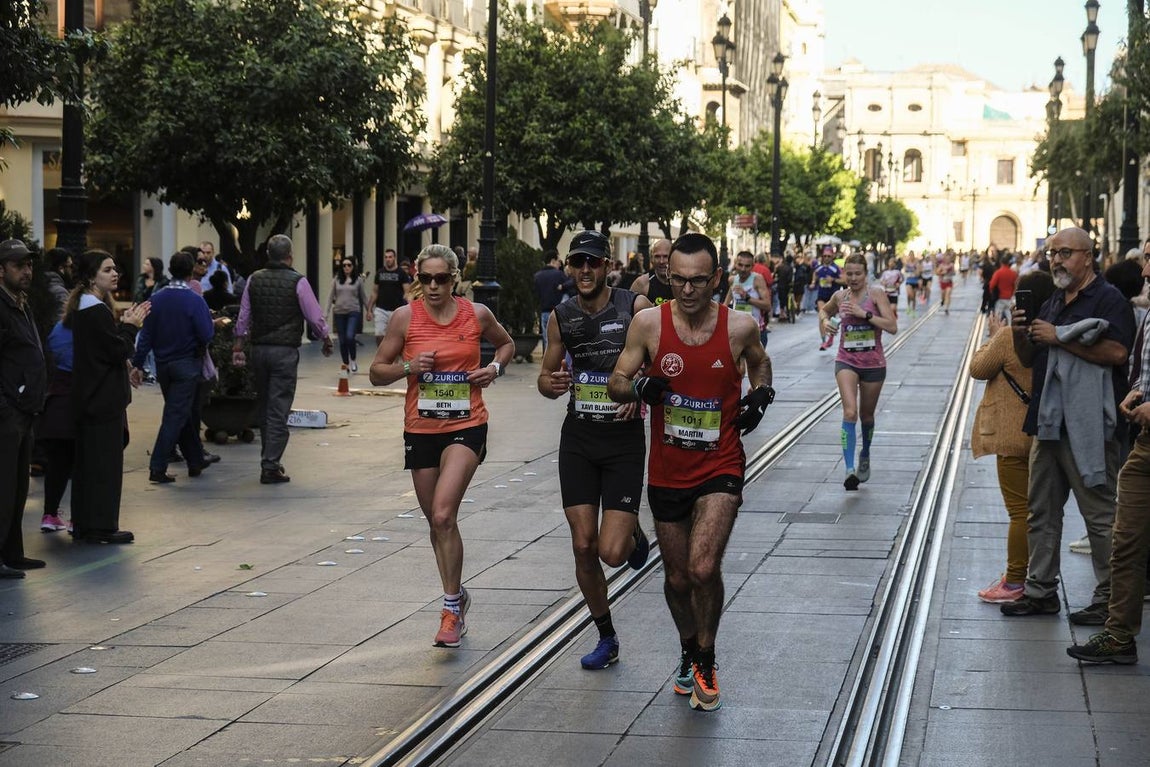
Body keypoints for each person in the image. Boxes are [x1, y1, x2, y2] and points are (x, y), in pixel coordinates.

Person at [607, 232, 774, 712]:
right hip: (667, 470)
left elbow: (761, 366)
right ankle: (689, 646)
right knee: (678, 579)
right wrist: (641, 389)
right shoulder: (648, 325)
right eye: (677, 279)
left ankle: (707, 655)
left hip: (720, 463)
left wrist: (760, 397)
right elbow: (617, 381)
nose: (686, 290)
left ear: (716, 279)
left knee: (704, 567)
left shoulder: (739, 327)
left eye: (698, 281)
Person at [369, 244, 514, 648]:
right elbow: (376, 373)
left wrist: (494, 369)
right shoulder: (404, 317)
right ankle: (458, 593)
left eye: (441, 278)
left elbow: (507, 345)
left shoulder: (476, 314)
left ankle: (451, 610)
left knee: (445, 512)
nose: (432, 286)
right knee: (436, 521)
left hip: (467, 425)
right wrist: (407, 368)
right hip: (420, 429)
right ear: (418, 277)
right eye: (425, 278)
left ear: (454, 278)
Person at [1002, 227, 1135, 624]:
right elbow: (1029, 359)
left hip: (1090, 423)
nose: (1056, 260)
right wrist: (1019, 331)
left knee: (1099, 513)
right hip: (1048, 420)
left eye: (1064, 253)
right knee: (1041, 510)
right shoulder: (1054, 300)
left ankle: (1108, 596)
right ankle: (1040, 589)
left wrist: (1060, 338)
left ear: (1087, 256)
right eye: (1051, 254)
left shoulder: (1109, 299)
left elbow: (1117, 352)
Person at [537, 231, 653, 669]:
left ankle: (633, 534)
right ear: (568, 267)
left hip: (623, 441)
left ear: (607, 265)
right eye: (577, 262)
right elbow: (546, 379)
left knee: (612, 552)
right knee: (583, 545)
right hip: (580, 439)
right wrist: (550, 384)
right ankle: (606, 636)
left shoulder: (633, 309)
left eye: (593, 262)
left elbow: (660, 364)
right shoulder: (560, 316)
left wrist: (639, 392)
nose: (584, 270)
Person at [1068, 255, 1150, 664]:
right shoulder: (1149, 313)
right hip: (1145, 444)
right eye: (1147, 258)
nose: (1146, 270)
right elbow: (1143, 368)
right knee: (1126, 539)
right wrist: (1136, 391)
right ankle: (1118, 635)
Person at [970, 271, 1055, 603]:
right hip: (1043, 434)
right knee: (1041, 510)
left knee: (1020, 512)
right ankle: (1039, 574)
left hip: (1011, 436)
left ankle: (1016, 579)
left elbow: (978, 368)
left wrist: (994, 337)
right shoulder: (1051, 333)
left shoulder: (1009, 335)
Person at [232, 234, 332, 484]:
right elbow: (314, 316)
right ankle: (270, 464)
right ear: (289, 256)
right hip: (284, 352)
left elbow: (244, 316)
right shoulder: (298, 281)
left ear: (268, 255)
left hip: (259, 350)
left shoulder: (254, 279)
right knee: (278, 408)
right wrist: (326, 339)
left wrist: (238, 345)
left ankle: (270, 457)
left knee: (266, 406)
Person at [69, 249, 150, 544]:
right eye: (107, 270)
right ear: (91, 277)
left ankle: (87, 523)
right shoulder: (94, 310)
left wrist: (124, 328)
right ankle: (100, 525)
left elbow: (106, 350)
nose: (114, 273)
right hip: (101, 401)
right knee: (103, 465)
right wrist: (131, 326)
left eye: (115, 268)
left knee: (92, 465)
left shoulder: (87, 307)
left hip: (93, 398)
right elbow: (116, 349)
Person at [130, 250, 215, 483]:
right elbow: (207, 333)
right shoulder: (195, 300)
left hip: (163, 365)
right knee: (175, 415)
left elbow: (146, 334)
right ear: (190, 273)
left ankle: (195, 459)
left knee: (181, 412)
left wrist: (137, 363)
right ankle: (157, 465)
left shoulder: (156, 299)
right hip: (187, 364)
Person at [817, 254, 898, 490]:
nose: (853, 278)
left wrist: (865, 315)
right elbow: (825, 311)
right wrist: (824, 321)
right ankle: (849, 470)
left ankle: (865, 453)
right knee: (850, 412)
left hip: (873, 363)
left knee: (867, 416)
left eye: (857, 274)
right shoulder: (839, 296)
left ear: (866, 274)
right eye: (849, 273)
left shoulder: (876, 295)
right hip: (846, 361)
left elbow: (892, 327)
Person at [0, 240, 48, 576]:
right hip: (8, 410)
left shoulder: (21, 303)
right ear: (1, 269)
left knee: (17, 487)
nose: (26, 271)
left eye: (29, 265)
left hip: (24, 409)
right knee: (3, 486)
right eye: (19, 266)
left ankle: (12, 551)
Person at [37, 317, 77, 533]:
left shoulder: (58, 328)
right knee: (82, 463)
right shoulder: (92, 325)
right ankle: (77, 518)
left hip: (55, 401)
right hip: (79, 400)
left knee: (57, 464)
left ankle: (50, 514)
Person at [327, 257, 368, 372]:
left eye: (349, 265)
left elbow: (363, 297)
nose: (346, 267)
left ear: (353, 267)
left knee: (350, 336)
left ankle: (353, 359)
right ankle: (345, 363)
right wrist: (326, 313)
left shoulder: (358, 280)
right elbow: (330, 297)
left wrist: (369, 310)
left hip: (353, 311)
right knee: (342, 340)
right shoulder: (336, 280)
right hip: (339, 312)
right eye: (344, 265)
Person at [368, 248, 412, 345]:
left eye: (390, 257)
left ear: (394, 258)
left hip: (396, 309)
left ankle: (394, 358)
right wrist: (369, 309)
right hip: (381, 309)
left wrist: (409, 307)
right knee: (379, 334)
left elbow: (407, 292)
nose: (388, 259)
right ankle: (381, 356)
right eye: (386, 257)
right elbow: (375, 292)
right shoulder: (380, 273)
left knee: (395, 337)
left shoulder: (401, 273)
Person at [727, 250, 771, 347]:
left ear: (752, 266)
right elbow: (725, 306)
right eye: (740, 265)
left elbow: (767, 306)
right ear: (735, 264)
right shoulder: (732, 280)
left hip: (756, 331)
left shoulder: (757, 279)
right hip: (738, 331)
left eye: (747, 266)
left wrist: (747, 298)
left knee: (755, 362)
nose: (743, 269)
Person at [532, 250, 569, 350]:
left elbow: (535, 294)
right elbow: (572, 284)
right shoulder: (559, 275)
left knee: (546, 339)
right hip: (558, 312)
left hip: (544, 311)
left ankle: (547, 360)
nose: (559, 264)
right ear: (553, 260)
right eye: (558, 261)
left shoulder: (537, 276)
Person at [814, 250, 843, 349]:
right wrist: (813, 282)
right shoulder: (818, 268)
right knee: (822, 316)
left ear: (832, 257)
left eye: (829, 256)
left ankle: (830, 338)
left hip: (832, 296)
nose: (826, 258)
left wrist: (833, 280)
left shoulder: (836, 268)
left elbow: (844, 280)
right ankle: (823, 341)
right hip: (821, 295)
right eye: (825, 256)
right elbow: (815, 276)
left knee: (832, 318)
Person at [631, 238, 675, 305]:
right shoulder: (642, 283)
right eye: (657, 256)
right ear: (651, 259)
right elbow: (627, 309)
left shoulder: (683, 282)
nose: (661, 261)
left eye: (666, 256)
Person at [989, 252, 1018, 318]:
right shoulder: (1013, 273)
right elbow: (1015, 285)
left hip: (1000, 298)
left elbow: (992, 285)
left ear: (1001, 263)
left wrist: (992, 294)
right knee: (1009, 315)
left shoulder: (998, 272)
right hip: (1009, 297)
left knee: (997, 316)